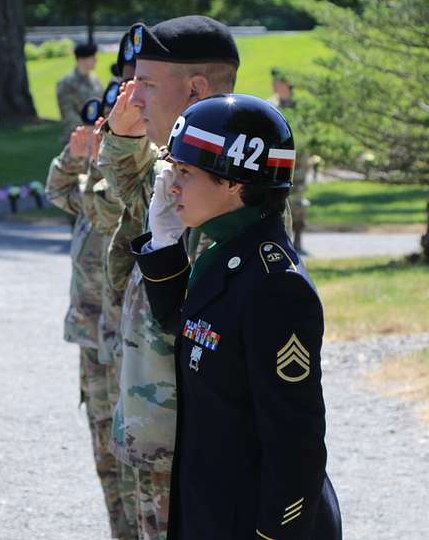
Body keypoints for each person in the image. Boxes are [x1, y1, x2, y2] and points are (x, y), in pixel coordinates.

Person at [133, 94, 341, 540]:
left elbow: (295, 439)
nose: (172, 188)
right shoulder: (226, 253)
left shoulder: (273, 284)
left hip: (253, 523)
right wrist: (165, 243)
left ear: (234, 182)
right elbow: (188, 330)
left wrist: (273, 534)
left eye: (185, 173)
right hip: (213, 508)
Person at [97, 16, 240, 539]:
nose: (135, 100)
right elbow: (137, 199)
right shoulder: (187, 166)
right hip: (156, 426)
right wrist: (120, 137)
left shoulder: (226, 175)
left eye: (148, 86)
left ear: (196, 90)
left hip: (186, 436)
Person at [46, 89, 135, 539]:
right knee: (105, 457)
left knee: (132, 457)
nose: (100, 136)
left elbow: (107, 210)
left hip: (121, 339)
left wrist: (106, 156)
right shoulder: (92, 176)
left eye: (107, 129)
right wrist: (74, 153)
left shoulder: (119, 182)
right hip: (91, 335)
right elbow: (57, 191)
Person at [270, 67, 311, 252]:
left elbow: (310, 132)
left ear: (286, 84)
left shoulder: (302, 108)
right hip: (277, 160)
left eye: (277, 81)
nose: (274, 85)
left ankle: (299, 238)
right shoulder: (270, 106)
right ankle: (281, 239)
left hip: (300, 159)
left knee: (298, 199)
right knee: (277, 198)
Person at [57, 42, 102, 143]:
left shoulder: (95, 80)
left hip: (96, 136)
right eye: (92, 57)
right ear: (82, 59)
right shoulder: (66, 83)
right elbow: (67, 113)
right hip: (76, 138)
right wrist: (88, 128)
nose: (95, 60)